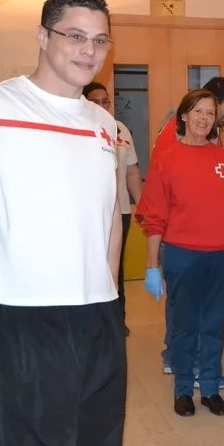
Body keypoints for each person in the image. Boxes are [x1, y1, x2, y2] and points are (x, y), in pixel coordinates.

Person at [0, 0, 126, 446]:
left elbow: (110, 213)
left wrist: (110, 289)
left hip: (98, 311)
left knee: (97, 441)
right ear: (43, 36)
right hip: (21, 312)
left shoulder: (104, 124)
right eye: (75, 35)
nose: (89, 50)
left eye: (100, 39)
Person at [137, 89, 224, 417]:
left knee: (214, 324)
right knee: (185, 327)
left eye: (210, 113)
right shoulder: (167, 160)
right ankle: (184, 390)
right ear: (184, 116)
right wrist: (151, 265)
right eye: (198, 112)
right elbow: (155, 217)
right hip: (182, 255)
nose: (204, 118)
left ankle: (211, 389)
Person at [85, 81, 143, 336]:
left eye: (105, 101)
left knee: (115, 267)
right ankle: (90, 320)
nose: (102, 106)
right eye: (95, 102)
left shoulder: (120, 131)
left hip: (120, 211)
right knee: (90, 266)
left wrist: (142, 204)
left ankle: (117, 320)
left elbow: (131, 173)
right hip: (89, 212)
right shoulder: (80, 128)